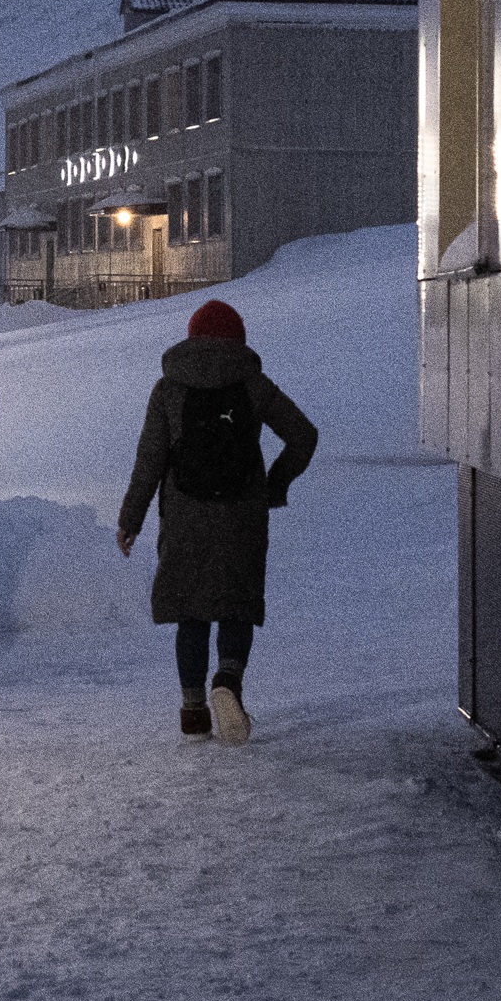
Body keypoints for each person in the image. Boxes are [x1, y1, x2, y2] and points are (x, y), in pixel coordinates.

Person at [117, 297, 318, 744]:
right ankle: (227, 684)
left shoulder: (167, 388)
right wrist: (274, 484)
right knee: (235, 603)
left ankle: (192, 711)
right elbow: (304, 436)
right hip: (241, 515)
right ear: (237, 339)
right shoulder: (253, 384)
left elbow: (149, 458)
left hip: (185, 515)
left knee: (191, 611)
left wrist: (131, 518)